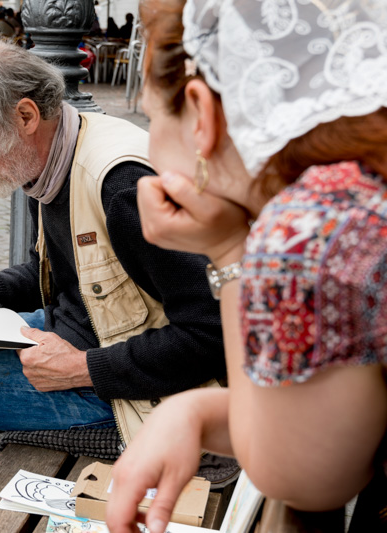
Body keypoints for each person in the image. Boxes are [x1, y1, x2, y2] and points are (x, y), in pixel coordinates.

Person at [0, 37, 226, 533]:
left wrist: (80, 368)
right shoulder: (54, 155)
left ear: (25, 116)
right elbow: (57, 272)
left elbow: (214, 335)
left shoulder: (120, 186)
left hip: (123, 390)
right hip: (74, 337)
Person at [104, 1, 387, 532]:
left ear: (200, 114)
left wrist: (230, 252)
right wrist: (194, 412)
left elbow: (298, 475)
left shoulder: (307, 232)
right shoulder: (357, 191)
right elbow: (324, 421)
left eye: (151, 117)